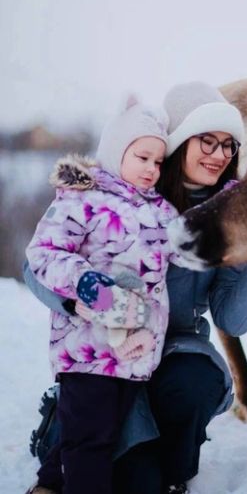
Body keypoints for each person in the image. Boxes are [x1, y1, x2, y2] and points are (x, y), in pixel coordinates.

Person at [24, 82, 247, 494]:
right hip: (108, 349)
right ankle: (62, 435)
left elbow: (234, 318)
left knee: (192, 388)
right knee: (106, 462)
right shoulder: (129, 189)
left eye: (229, 145)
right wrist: (88, 303)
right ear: (178, 142)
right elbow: (34, 264)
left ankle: (169, 472)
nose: (220, 155)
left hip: (173, 350)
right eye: (208, 141)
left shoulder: (223, 216)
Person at [25, 96, 178, 494]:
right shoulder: (83, 198)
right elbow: (44, 252)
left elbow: (191, 241)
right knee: (89, 442)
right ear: (116, 151)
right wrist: (89, 286)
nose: (151, 168)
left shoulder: (162, 210)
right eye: (142, 157)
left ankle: (48, 483)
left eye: (158, 162)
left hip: (135, 354)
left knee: (96, 434)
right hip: (86, 350)